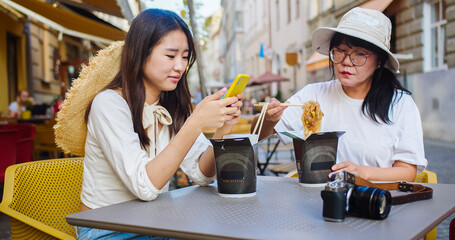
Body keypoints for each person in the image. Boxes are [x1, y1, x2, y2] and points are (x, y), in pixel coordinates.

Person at [58, 9, 243, 239]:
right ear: (141, 53)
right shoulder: (108, 105)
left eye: (185, 56)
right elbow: (144, 186)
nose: (180, 66)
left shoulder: (170, 105)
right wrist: (195, 123)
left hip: (155, 223)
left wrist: (223, 129)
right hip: (105, 229)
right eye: (170, 55)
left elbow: (203, 174)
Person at [251, 7, 427, 182]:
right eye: (340, 51)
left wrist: (360, 172)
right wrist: (269, 119)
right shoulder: (314, 94)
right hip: (321, 198)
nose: (346, 62)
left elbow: (407, 170)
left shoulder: (400, 103)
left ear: (379, 60)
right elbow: (257, 133)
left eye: (359, 54)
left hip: (376, 200)